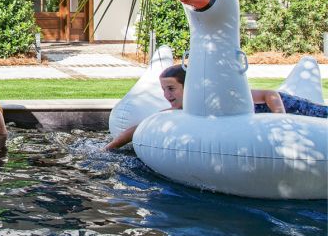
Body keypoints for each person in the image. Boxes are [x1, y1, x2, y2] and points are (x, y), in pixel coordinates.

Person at [105, 64, 327, 150]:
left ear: (189, 86)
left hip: (298, 109)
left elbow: (270, 94)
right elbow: (142, 125)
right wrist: (110, 148)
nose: (166, 95)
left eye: (171, 89)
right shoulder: (186, 110)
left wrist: (280, 120)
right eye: (163, 89)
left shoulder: (219, 98)